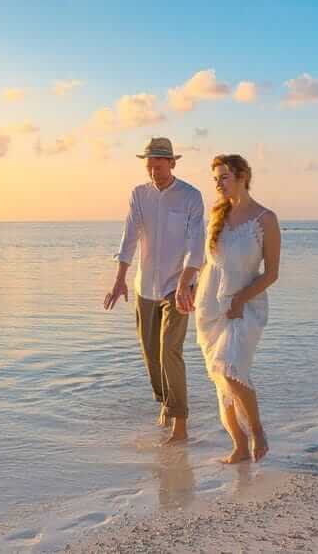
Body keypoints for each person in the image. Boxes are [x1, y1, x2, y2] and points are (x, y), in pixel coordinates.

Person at [104, 137, 206, 445]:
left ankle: (180, 423)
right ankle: (165, 402)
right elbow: (129, 237)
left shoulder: (191, 196)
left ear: (172, 163)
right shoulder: (139, 195)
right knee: (151, 355)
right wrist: (120, 278)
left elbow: (196, 243)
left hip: (178, 286)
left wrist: (187, 280)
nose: (153, 173)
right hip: (144, 287)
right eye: (149, 167)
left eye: (159, 167)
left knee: (169, 351)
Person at [194, 154, 280, 463]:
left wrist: (241, 299)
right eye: (215, 178)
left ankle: (256, 431)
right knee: (219, 377)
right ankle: (239, 446)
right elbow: (207, 263)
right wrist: (187, 288)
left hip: (245, 306)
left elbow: (272, 272)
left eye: (223, 176)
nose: (217, 183)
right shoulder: (217, 216)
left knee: (231, 369)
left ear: (243, 176)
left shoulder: (265, 219)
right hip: (210, 306)